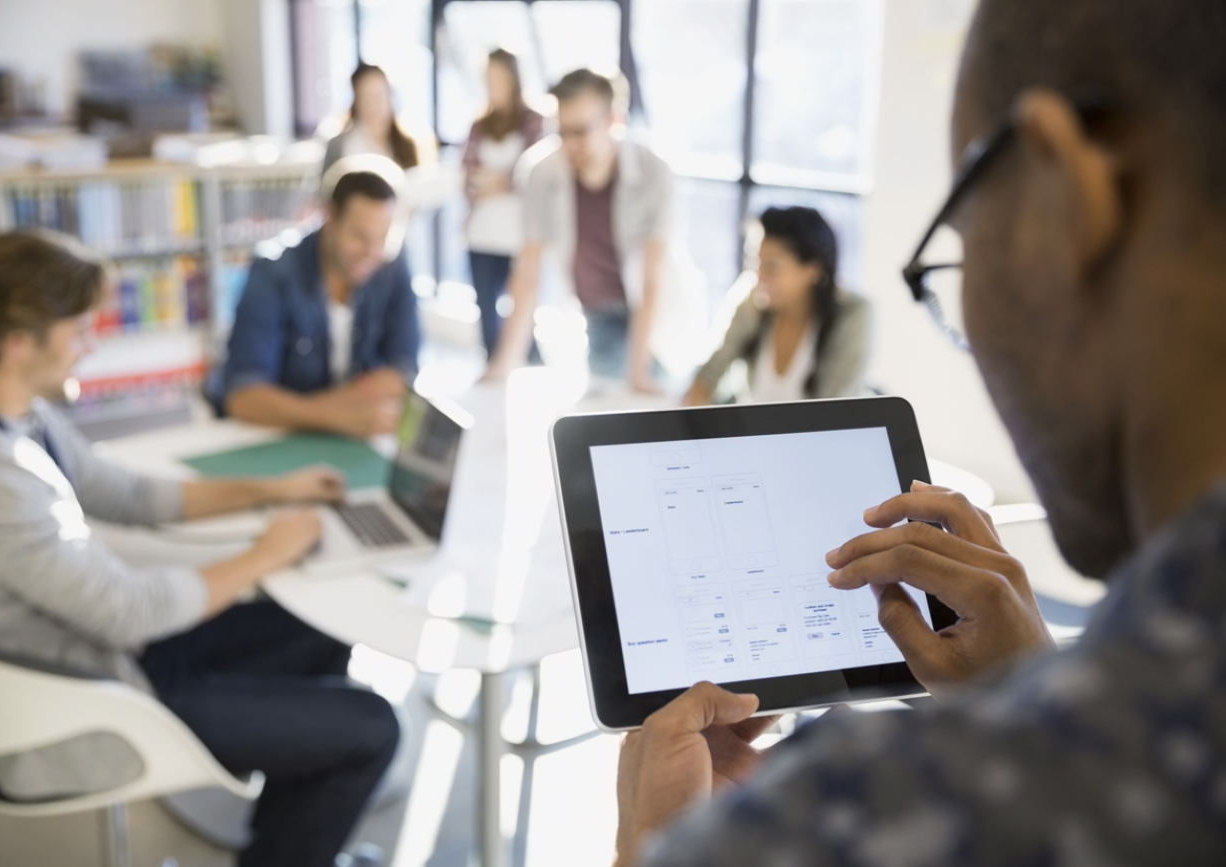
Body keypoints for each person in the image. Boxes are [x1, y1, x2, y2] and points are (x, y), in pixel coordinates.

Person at [611, 0, 1226, 865]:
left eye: (964, 249)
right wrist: (1028, 694)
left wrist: (664, 850)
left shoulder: (857, 819)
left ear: (1064, 206)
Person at [0, 232, 399, 867]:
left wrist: (270, 489)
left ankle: (284, 845)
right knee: (373, 729)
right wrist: (269, 552)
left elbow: (123, 494)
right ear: (18, 343)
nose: (91, 344)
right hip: (92, 695)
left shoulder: (0, 409)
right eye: (78, 329)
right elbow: (130, 610)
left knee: (321, 628)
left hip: (105, 649)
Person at [483, 68, 675, 391]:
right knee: (607, 397)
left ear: (614, 121)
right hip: (596, 312)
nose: (570, 144)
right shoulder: (540, 172)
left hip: (657, 313)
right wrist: (502, 365)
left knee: (657, 399)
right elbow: (528, 272)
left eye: (581, 131)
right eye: (562, 131)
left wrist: (639, 371)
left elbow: (652, 279)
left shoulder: (654, 172)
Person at [215, 158, 419, 437]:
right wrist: (336, 416)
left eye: (381, 239)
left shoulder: (392, 266)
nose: (370, 252)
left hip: (353, 439)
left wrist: (312, 410)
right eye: (359, 236)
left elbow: (403, 372)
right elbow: (244, 396)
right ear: (330, 216)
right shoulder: (273, 273)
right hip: (277, 441)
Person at [684, 206, 871, 406]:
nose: (759, 276)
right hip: (750, 434)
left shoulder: (852, 315)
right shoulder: (753, 298)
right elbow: (707, 376)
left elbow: (835, 410)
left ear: (812, 270)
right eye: (754, 263)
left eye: (771, 267)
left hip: (819, 437)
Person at [462, 48, 546, 357]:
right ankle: (493, 381)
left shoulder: (534, 120)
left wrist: (498, 181)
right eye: (487, 78)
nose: (492, 84)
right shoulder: (479, 124)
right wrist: (501, 181)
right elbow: (468, 177)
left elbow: (531, 175)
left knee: (523, 317)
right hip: (481, 233)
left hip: (520, 235)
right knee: (487, 316)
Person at [322, 62, 432, 177]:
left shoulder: (408, 145)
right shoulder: (338, 145)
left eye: (379, 96)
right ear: (356, 101)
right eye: (366, 97)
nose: (374, 105)